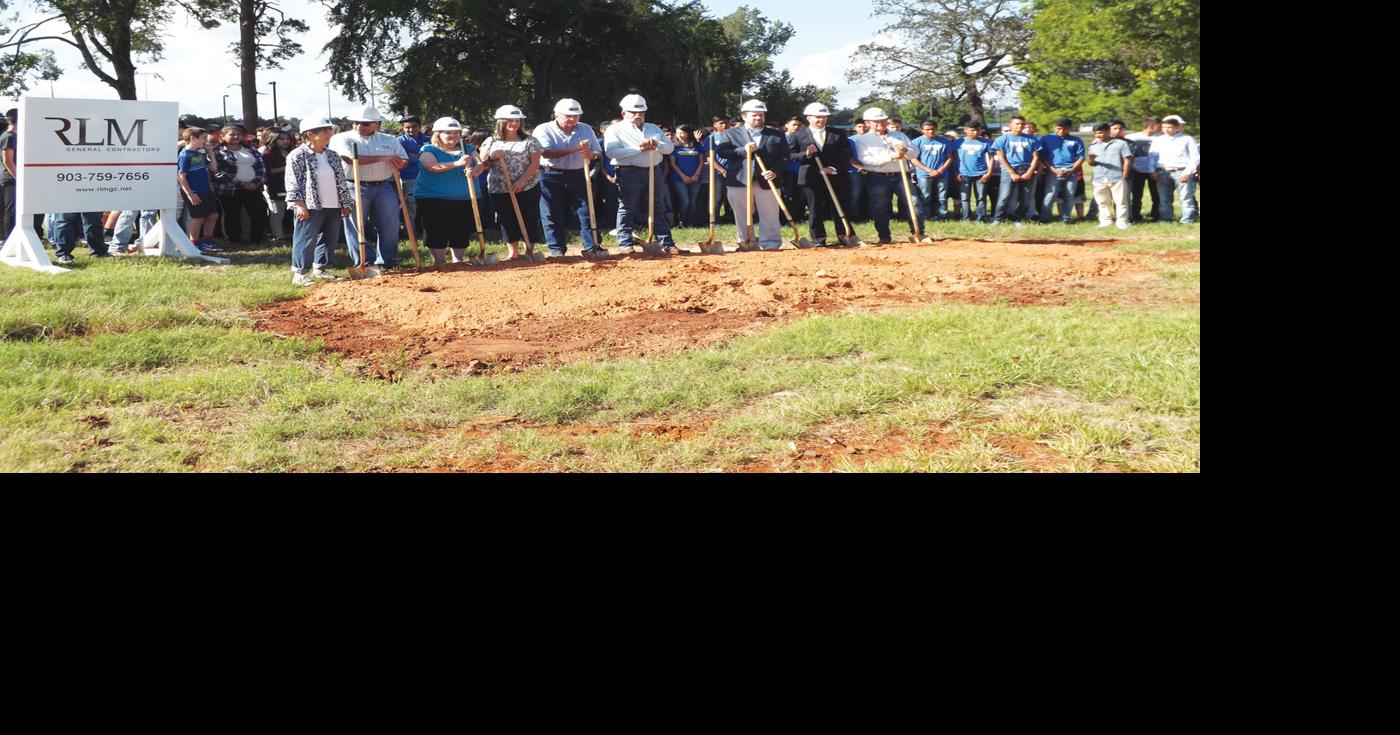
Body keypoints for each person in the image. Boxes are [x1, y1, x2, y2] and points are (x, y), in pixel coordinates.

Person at [330, 104, 409, 268]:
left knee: (390, 224)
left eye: (364, 123)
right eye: (355, 122)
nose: (359, 126)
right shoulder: (342, 138)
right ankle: (365, 261)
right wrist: (384, 158)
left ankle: (386, 261)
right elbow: (350, 159)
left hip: (384, 185)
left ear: (376, 124)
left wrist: (400, 163)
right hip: (354, 185)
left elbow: (404, 158)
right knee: (355, 225)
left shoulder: (389, 140)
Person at [603, 94, 678, 254]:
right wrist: (639, 148)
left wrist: (657, 144)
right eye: (633, 112)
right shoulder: (614, 129)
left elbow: (670, 148)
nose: (638, 115)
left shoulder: (653, 128)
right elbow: (611, 152)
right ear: (623, 113)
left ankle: (667, 243)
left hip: (653, 170)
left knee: (657, 207)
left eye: (641, 112)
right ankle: (625, 244)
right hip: (628, 172)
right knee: (627, 208)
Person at [850, 107, 935, 243]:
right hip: (877, 177)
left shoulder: (899, 136)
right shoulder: (862, 140)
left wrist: (905, 150)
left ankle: (918, 233)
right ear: (868, 123)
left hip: (901, 175)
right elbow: (866, 161)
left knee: (914, 203)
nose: (880, 124)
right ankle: (884, 236)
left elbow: (915, 152)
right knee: (880, 207)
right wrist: (892, 156)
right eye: (876, 121)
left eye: (882, 120)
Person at [285, 115, 353, 284]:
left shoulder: (332, 155)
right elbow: (292, 181)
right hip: (310, 204)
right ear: (310, 134)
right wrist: (299, 204)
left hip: (333, 203)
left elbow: (340, 180)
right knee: (306, 238)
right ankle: (300, 274)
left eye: (329, 130)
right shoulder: (297, 155)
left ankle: (320, 269)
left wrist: (345, 202)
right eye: (325, 130)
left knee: (329, 237)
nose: (329, 133)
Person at [714, 99, 789, 250]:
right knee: (741, 214)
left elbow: (785, 157)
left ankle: (771, 244)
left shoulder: (777, 135)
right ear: (744, 116)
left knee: (770, 214)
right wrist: (742, 151)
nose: (758, 118)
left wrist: (775, 171)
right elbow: (722, 151)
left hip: (768, 180)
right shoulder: (731, 133)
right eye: (754, 115)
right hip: (740, 180)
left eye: (761, 115)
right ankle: (746, 242)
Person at [533, 98, 603, 257]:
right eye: (568, 116)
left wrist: (590, 154)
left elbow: (598, 152)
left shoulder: (586, 129)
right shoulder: (543, 129)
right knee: (552, 213)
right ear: (556, 114)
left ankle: (592, 246)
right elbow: (547, 153)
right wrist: (576, 148)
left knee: (586, 210)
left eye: (576, 116)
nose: (572, 119)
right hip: (550, 174)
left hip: (578, 173)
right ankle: (556, 249)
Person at [479, 104, 545, 260]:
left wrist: (522, 180)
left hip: (527, 186)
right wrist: (491, 157)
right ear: (500, 122)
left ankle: (529, 250)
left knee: (529, 217)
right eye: (510, 120)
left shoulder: (530, 141)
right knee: (507, 219)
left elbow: (535, 164)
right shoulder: (491, 141)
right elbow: (483, 163)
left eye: (517, 120)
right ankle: (513, 252)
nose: (514, 123)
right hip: (500, 187)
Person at [416, 117, 483, 265]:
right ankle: (440, 262)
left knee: (461, 230)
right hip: (434, 198)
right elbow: (431, 166)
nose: (453, 136)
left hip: (466, 197)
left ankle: (458, 261)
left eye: (456, 132)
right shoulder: (428, 149)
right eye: (448, 132)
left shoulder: (468, 148)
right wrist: (457, 163)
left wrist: (475, 172)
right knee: (437, 230)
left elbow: (480, 164)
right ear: (438, 134)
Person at [789, 102, 850, 246]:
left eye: (824, 117)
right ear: (808, 118)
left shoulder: (838, 133)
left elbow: (845, 154)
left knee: (839, 207)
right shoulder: (798, 135)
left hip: (834, 176)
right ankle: (818, 239)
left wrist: (833, 168)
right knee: (815, 209)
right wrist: (807, 154)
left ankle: (845, 236)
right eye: (818, 117)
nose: (821, 120)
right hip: (811, 177)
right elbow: (791, 155)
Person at [210, 123, 269, 247]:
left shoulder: (250, 149)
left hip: (253, 187)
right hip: (229, 190)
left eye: (238, 134)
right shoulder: (217, 151)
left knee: (258, 213)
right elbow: (217, 171)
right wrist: (240, 184)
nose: (236, 136)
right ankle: (233, 241)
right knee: (231, 215)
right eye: (231, 134)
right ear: (223, 136)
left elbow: (261, 167)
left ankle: (256, 240)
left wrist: (255, 182)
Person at [989, 115, 1041, 225]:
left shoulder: (1032, 139)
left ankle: (1018, 220)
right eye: (1017, 124)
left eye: (1022, 124)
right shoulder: (1002, 139)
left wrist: (1030, 172)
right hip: (1009, 170)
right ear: (1010, 125)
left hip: (1026, 170)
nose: (1020, 126)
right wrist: (1012, 172)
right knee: (1004, 196)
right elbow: (1001, 158)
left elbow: (1036, 157)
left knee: (1025, 198)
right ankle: (998, 219)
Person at [177, 127, 222, 252]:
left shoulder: (199, 153)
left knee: (213, 215)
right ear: (193, 138)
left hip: (205, 189)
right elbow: (181, 176)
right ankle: (194, 243)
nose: (206, 141)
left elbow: (213, 168)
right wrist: (190, 194)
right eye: (203, 138)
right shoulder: (185, 155)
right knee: (198, 218)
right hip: (194, 191)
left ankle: (208, 240)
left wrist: (211, 153)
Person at [1149, 114, 1199, 224]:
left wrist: (1187, 172)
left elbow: (1195, 157)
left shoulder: (1187, 139)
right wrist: (1151, 170)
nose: (1166, 130)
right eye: (1164, 127)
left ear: (1177, 127)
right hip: (1162, 172)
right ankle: (1166, 219)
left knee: (1186, 198)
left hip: (1181, 171)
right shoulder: (1158, 140)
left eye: (1170, 127)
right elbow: (1152, 156)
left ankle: (1187, 220)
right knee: (1164, 199)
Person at [1086, 123, 1133, 229]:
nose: (1098, 135)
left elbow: (1128, 159)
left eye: (1100, 133)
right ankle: (1105, 220)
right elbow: (1091, 163)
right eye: (1096, 133)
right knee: (1102, 201)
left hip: (1116, 176)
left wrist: (1125, 174)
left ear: (1108, 132)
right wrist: (1091, 159)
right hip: (1099, 177)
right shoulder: (1093, 145)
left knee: (1120, 201)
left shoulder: (1120, 144)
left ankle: (1122, 221)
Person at [1038, 118, 1085, 224]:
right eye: (1058, 129)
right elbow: (1043, 157)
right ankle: (1045, 218)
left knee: (1069, 194)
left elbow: (1081, 157)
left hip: (1071, 171)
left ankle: (1065, 218)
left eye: (1065, 129)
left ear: (1070, 129)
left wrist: (1072, 169)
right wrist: (1053, 169)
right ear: (1054, 127)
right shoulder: (1046, 138)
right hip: (1053, 171)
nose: (1061, 131)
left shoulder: (1076, 140)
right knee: (1050, 194)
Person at [911, 120, 954, 222]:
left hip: (942, 173)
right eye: (927, 129)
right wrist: (928, 170)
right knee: (925, 196)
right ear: (922, 130)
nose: (930, 131)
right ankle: (926, 217)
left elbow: (950, 158)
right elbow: (913, 159)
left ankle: (942, 216)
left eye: (932, 129)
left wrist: (940, 170)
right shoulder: (916, 142)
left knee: (942, 197)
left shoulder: (945, 142)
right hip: (923, 174)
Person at [396, 115, 431, 236]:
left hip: (429, 177)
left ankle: (427, 229)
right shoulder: (399, 142)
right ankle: (410, 231)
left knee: (428, 204)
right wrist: (419, 158)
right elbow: (401, 160)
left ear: (420, 126)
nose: (411, 130)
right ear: (403, 128)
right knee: (411, 205)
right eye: (407, 127)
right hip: (409, 178)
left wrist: (414, 156)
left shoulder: (429, 139)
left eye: (414, 126)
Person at [665, 124, 703, 229]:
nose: (680, 135)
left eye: (683, 132)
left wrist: (696, 174)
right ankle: (682, 222)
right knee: (685, 201)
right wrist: (683, 176)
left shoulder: (697, 146)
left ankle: (690, 224)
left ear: (688, 133)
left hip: (695, 178)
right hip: (678, 178)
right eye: (678, 133)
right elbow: (673, 164)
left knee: (692, 202)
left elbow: (701, 162)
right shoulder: (673, 146)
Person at [696, 116, 732, 225]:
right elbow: (708, 157)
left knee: (733, 196)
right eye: (721, 123)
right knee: (716, 197)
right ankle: (714, 220)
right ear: (715, 125)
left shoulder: (734, 137)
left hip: (734, 170)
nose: (724, 125)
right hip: (716, 171)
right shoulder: (710, 139)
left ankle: (733, 218)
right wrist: (722, 170)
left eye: (726, 123)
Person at [1125, 117, 1162, 223]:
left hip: (1154, 170)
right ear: (1151, 126)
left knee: (1156, 195)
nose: (1161, 129)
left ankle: (1155, 215)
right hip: (1137, 170)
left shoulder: (1160, 138)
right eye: (1159, 126)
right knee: (1136, 195)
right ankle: (1135, 215)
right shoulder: (1132, 137)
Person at [955, 122, 993, 222]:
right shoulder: (958, 142)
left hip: (981, 174)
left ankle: (980, 218)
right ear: (965, 130)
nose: (975, 132)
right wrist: (956, 172)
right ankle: (966, 218)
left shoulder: (986, 142)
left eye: (978, 130)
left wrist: (989, 172)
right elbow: (954, 158)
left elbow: (991, 158)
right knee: (965, 198)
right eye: (972, 130)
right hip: (964, 173)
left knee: (981, 197)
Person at [261, 127, 295, 241]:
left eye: (287, 139)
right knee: (277, 212)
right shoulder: (268, 154)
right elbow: (268, 171)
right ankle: (278, 235)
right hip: (275, 186)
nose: (285, 141)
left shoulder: (292, 152)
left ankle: (290, 232)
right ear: (274, 140)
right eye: (281, 139)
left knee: (291, 212)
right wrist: (287, 168)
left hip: (291, 186)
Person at [1, 108, 17, 241]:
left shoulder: (13, 136)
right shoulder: (9, 137)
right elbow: (8, 161)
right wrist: (19, 178)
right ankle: (8, 240)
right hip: (10, 179)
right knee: (11, 212)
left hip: (13, 179)